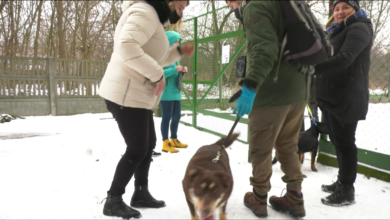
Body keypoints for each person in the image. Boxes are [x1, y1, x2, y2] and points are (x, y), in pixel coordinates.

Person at [98, 0, 193, 218]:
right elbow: (126, 46)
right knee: (137, 148)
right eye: (181, 7)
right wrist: (157, 74)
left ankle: (140, 192)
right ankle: (113, 199)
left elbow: (156, 58)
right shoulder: (145, 12)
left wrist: (177, 51)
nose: (182, 12)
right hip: (126, 92)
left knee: (148, 145)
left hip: (137, 94)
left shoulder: (155, 20)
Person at [226, 0, 307, 218]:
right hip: (299, 90)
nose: (231, 6)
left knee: (261, 148)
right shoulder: (283, 4)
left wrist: (251, 86)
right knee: (288, 146)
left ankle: (259, 198)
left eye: (231, 1)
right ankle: (295, 196)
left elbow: (264, 49)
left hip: (272, 92)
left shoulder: (256, 5)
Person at [314, 0, 373, 206]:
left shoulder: (359, 28)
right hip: (332, 95)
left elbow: (345, 58)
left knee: (346, 144)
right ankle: (342, 181)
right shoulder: (337, 30)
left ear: (355, 9)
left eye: (345, 8)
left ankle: (347, 190)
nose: (339, 12)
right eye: (337, 8)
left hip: (347, 97)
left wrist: (314, 68)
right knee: (338, 142)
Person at [160, 30, 188, 153]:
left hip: (176, 92)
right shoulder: (162, 57)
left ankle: (174, 139)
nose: (177, 44)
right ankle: (165, 143)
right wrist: (174, 70)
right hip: (166, 93)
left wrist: (182, 71)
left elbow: (176, 73)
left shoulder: (175, 57)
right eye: (175, 42)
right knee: (166, 118)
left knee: (176, 117)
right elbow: (159, 74)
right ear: (169, 42)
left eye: (178, 42)